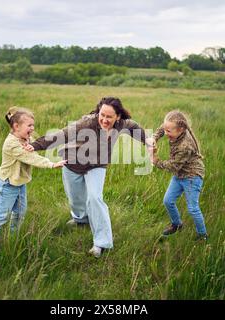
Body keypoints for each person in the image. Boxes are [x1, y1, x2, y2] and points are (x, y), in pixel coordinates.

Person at [29, 97, 152, 258]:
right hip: (72, 162)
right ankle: (80, 219)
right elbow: (61, 135)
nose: (104, 119)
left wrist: (147, 140)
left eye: (109, 116)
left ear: (118, 117)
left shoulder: (123, 125)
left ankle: (101, 243)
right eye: (102, 115)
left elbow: (134, 127)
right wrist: (35, 145)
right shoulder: (86, 123)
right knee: (76, 199)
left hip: (97, 165)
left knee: (95, 198)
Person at [0, 107, 66, 252]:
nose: (32, 128)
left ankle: (13, 237)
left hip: (20, 183)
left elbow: (36, 145)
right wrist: (51, 164)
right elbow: (31, 157)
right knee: (3, 214)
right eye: (29, 125)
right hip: (8, 183)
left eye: (32, 125)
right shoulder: (11, 144)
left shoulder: (25, 138)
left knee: (20, 212)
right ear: (16, 126)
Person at [149, 110, 208, 241]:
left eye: (169, 131)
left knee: (193, 208)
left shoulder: (185, 146)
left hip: (192, 176)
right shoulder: (172, 127)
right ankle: (177, 224)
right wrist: (154, 137)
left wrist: (155, 160)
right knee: (168, 201)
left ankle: (202, 235)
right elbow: (162, 128)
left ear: (180, 130)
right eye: (166, 130)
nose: (166, 133)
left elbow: (173, 166)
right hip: (180, 174)